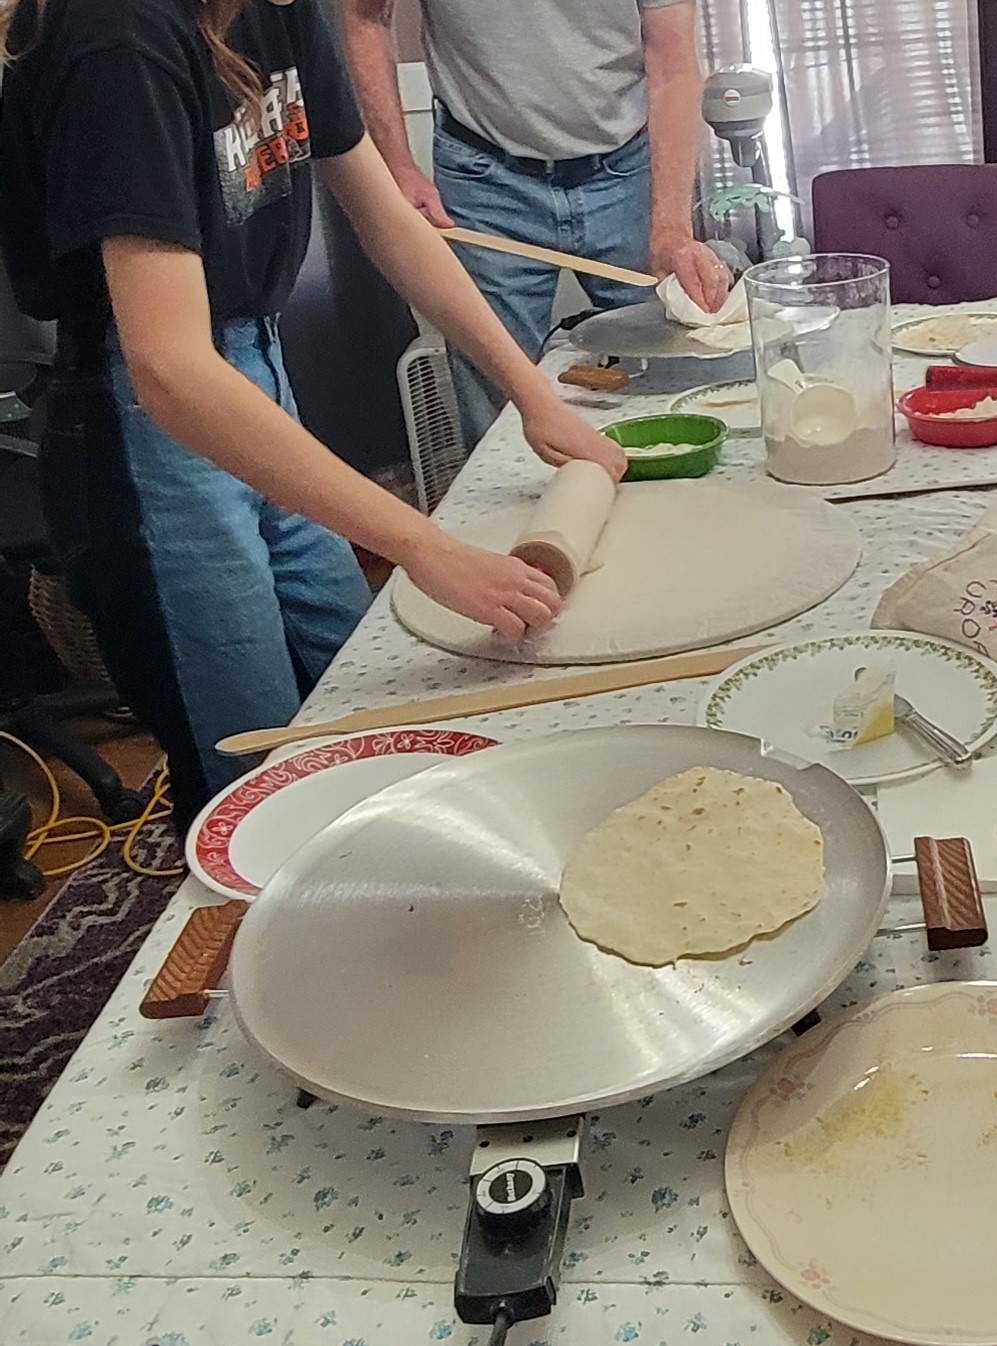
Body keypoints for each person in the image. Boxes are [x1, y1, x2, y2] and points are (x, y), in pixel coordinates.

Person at [0, 0, 627, 829]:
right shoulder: (120, 38)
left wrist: (535, 398)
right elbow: (169, 366)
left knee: (363, 692)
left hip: (254, 371)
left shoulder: (279, 12)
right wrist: (424, 544)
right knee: (258, 782)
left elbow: (387, 218)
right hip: (146, 417)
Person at [340, 0, 732, 447]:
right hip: (483, 176)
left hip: (630, 168)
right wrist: (397, 165)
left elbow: (674, 63)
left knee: (670, 387)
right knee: (496, 410)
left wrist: (672, 227)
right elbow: (364, 17)